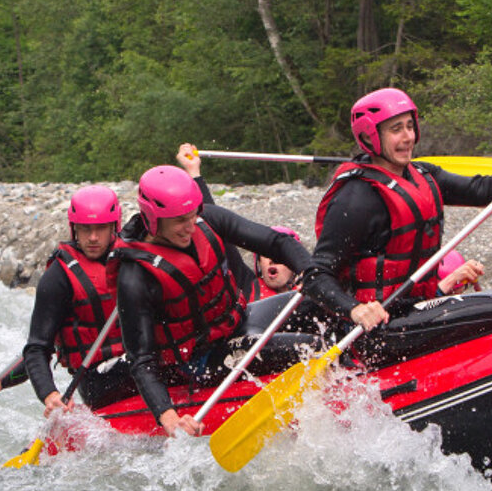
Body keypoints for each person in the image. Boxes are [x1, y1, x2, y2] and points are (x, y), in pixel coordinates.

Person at [112, 149, 349, 438]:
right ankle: (348, 402)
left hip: (240, 321)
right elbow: (141, 359)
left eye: (192, 215)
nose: (190, 226)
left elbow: (276, 241)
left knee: (322, 301)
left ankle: (363, 357)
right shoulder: (135, 277)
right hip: (199, 361)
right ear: (152, 219)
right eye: (179, 221)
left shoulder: (206, 219)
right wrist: (169, 416)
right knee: (311, 346)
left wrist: (311, 274)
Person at [308, 87, 492, 330]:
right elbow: (316, 274)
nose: (408, 137)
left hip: (418, 307)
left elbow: (483, 191)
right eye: (396, 129)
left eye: (410, 126)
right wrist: (354, 310)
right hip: (379, 324)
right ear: (369, 136)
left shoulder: (424, 174)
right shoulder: (356, 198)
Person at [0, 185, 135, 415]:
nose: (93, 238)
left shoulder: (133, 257)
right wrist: (50, 394)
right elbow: (38, 348)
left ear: (114, 227)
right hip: (100, 382)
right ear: (74, 229)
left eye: (101, 228)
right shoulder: (59, 277)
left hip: (141, 366)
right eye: (85, 229)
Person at [248, 225, 302, 301]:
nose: (273, 260)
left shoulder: (311, 290)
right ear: (259, 263)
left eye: (280, 253)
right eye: (266, 253)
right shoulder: (248, 289)